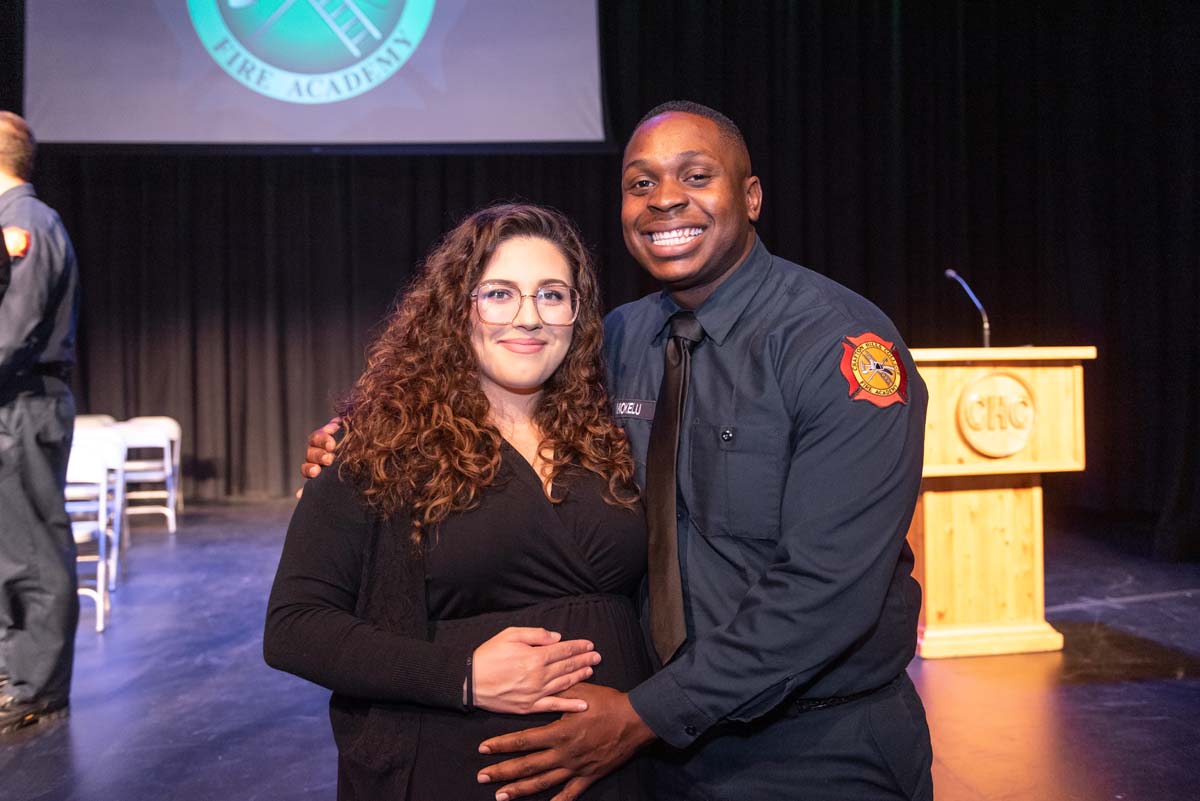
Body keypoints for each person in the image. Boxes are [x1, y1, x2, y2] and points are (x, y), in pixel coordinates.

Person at [303, 103, 934, 800]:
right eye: (641, 183)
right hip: (648, 756)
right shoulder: (620, 341)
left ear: (751, 198)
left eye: (696, 175)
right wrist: (363, 444)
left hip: (812, 748)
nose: (666, 198)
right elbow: (489, 404)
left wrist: (643, 714)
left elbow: (828, 590)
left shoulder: (836, 347)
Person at [265, 203, 655, 800]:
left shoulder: (610, 432)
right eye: (499, 294)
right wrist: (464, 676)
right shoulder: (380, 443)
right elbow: (295, 628)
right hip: (455, 772)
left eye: (552, 295)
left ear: (577, 314)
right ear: (457, 309)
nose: (529, 318)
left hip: (618, 770)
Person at [0, 111, 81, 734]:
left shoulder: (24, 221)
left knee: (33, 547)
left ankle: (39, 687)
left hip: (26, 403)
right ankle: (16, 672)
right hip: (13, 403)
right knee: (10, 547)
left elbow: (15, 331)